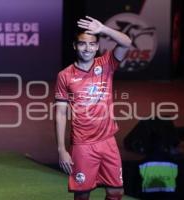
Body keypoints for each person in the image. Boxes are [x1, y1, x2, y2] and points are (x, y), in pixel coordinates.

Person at [55, 16, 131, 200]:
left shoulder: (106, 64)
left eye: (91, 44)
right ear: (75, 46)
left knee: (116, 191)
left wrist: (104, 29)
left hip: (107, 140)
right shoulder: (65, 75)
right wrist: (61, 149)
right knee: (82, 194)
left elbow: (126, 42)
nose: (87, 48)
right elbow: (60, 112)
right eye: (82, 44)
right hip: (82, 144)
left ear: (97, 46)